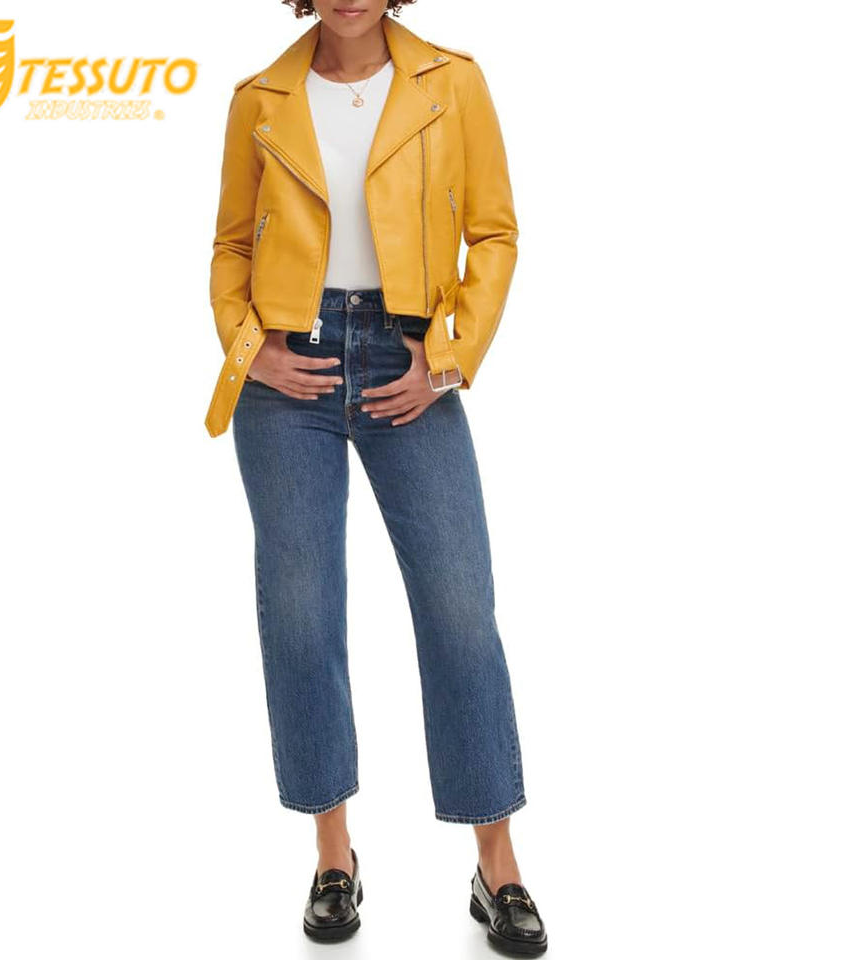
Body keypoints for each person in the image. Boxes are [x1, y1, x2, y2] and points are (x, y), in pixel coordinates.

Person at [205, 1, 547, 953]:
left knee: (459, 609)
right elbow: (231, 247)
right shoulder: (260, 97)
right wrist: (252, 350)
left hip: (410, 362)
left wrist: (449, 357)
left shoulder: (452, 81)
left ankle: (497, 865)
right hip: (292, 371)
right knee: (303, 611)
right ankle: (333, 857)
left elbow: (496, 233)